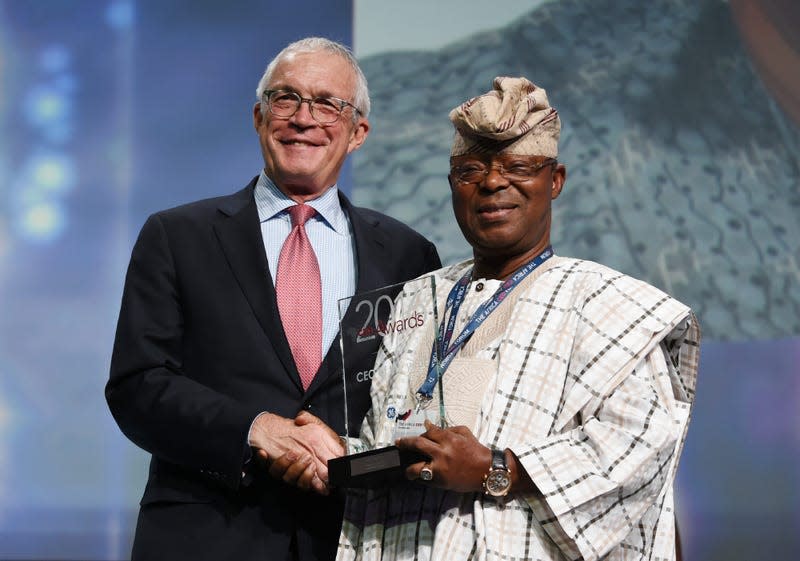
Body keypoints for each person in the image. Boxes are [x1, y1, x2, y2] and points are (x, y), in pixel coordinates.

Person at [337, 77, 700, 561]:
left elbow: (636, 448)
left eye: (518, 166)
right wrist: (334, 456)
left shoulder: (611, 305)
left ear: (555, 179)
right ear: (452, 185)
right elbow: (381, 434)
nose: (491, 182)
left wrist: (496, 466)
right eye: (471, 169)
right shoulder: (417, 297)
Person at [106, 37, 441, 561]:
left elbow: (419, 422)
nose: (303, 119)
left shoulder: (408, 255)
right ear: (259, 117)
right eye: (285, 99)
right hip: (206, 536)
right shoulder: (177, 236)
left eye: (328, 103)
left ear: (358, 133)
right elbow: (137, 386)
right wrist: (255, 430)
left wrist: (348, 468)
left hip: (350, 538)